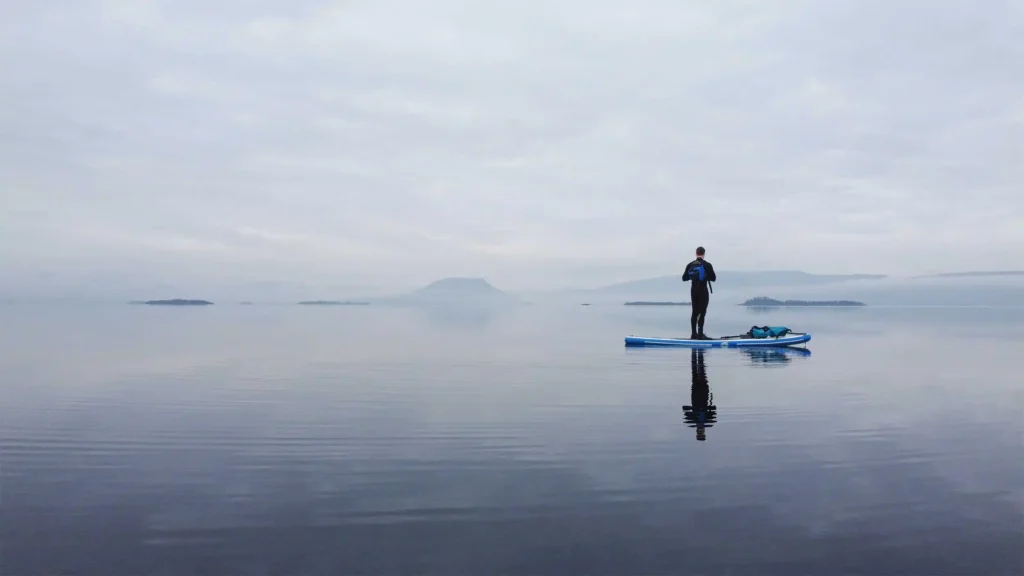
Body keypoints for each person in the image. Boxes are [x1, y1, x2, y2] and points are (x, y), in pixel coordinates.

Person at [681, 246, 716, 339]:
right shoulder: (707, 265)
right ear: (704, 254)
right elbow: (714, 278)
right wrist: (706, 276)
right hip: (703, 290)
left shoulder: (690, 265)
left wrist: (693, 277)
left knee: (694, 312)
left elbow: (684, 278)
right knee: (702, 312)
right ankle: (700, 334)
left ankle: (693, 334)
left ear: (696, 253)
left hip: (693, 291)